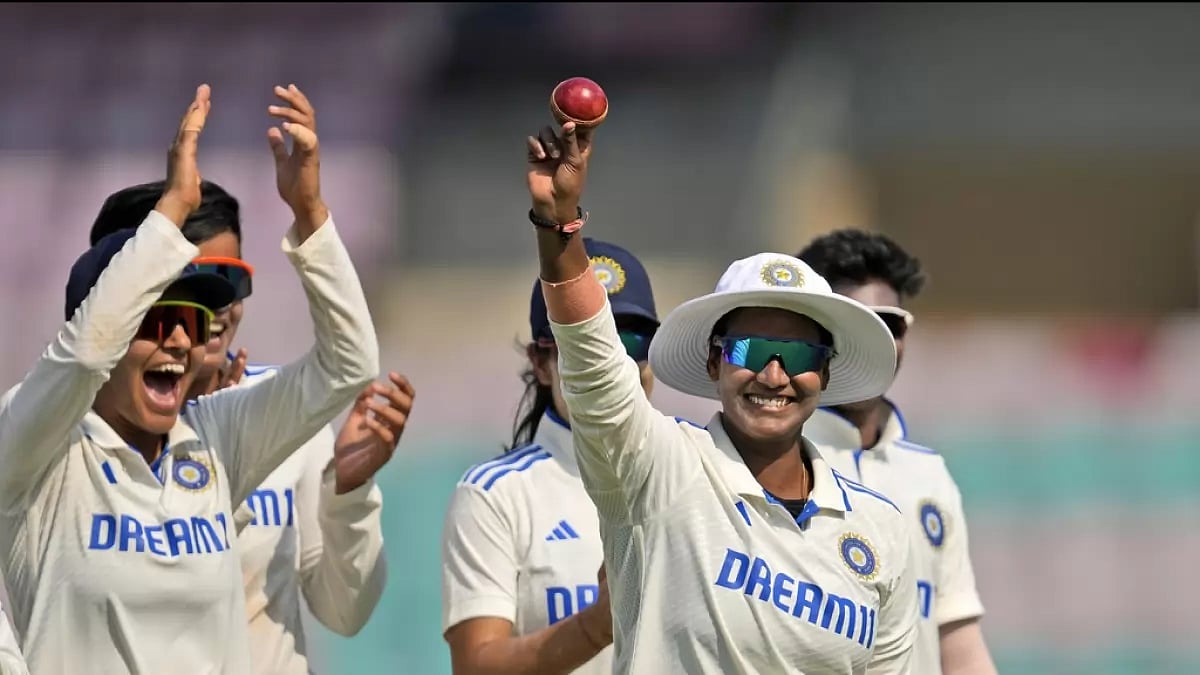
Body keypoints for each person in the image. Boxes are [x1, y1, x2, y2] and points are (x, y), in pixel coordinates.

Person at [0, 84, 380, 673]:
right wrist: (174, 208)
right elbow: (79, 360)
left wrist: (310, 213)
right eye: (155, 320)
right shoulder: (40, 447)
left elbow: (349, 363)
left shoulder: (215, 439)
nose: (180, 341)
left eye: (190, 322)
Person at [520, 119, 919, 674]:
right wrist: (559, 227)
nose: (775, 376)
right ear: (714, 361)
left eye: (800, 357)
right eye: (751, 351)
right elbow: (594, 368)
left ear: (824, 375)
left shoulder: (882, 528)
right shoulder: (657, 469)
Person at [88, 179, 412, 674]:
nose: (216, 310)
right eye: (190, 283)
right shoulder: (66, 435)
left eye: (229, 282)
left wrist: (348, 493)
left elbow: (345, 612)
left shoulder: (275, 412)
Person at [441, 237, 660, 675]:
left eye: (630, 342)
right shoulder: (495, 495)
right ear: (541, 364)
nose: (612, 366)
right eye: (583, 348)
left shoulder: (699, 468)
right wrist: (596, 626)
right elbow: (475, 665)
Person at [796, 230, 997, 675]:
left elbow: (958, 640)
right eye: (851, 324)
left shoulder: (929, 475)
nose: (873, 343)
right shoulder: (768, 462)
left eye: (887, 325)